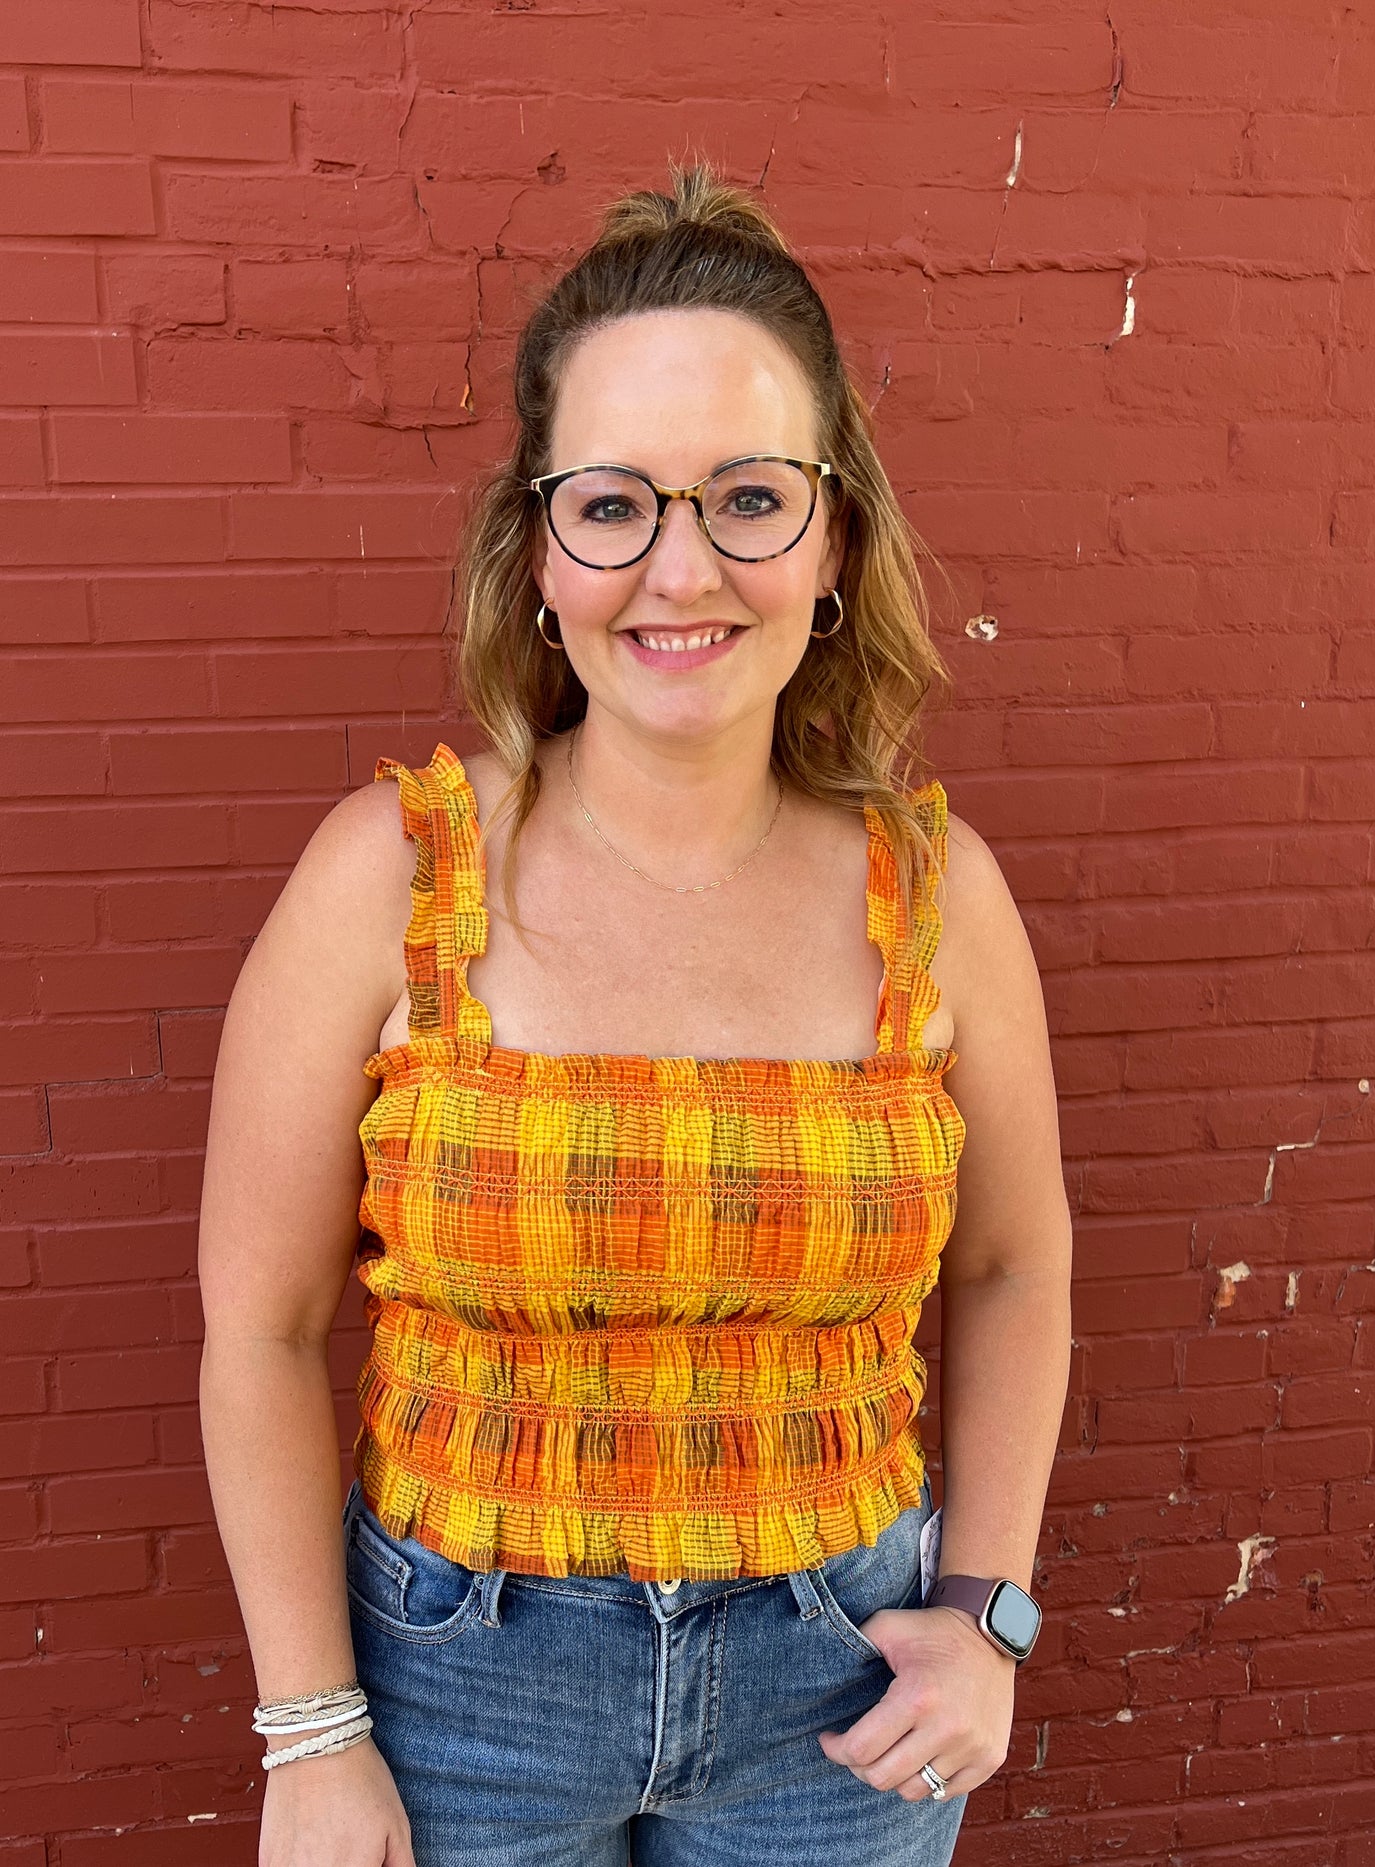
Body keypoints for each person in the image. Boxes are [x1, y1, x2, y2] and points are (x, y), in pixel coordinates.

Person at [198, 158, 1073, 1867]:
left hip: (848, 1702)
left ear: (833, 542)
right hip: (461, 1697)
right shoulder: (392, 877)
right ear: (540, 546)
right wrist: (309, 1732)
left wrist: (992, 1612)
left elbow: (1016, 1264)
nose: (682, 570)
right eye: (614, 504)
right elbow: (263, 1327)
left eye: (749, 496)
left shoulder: (932, 888)